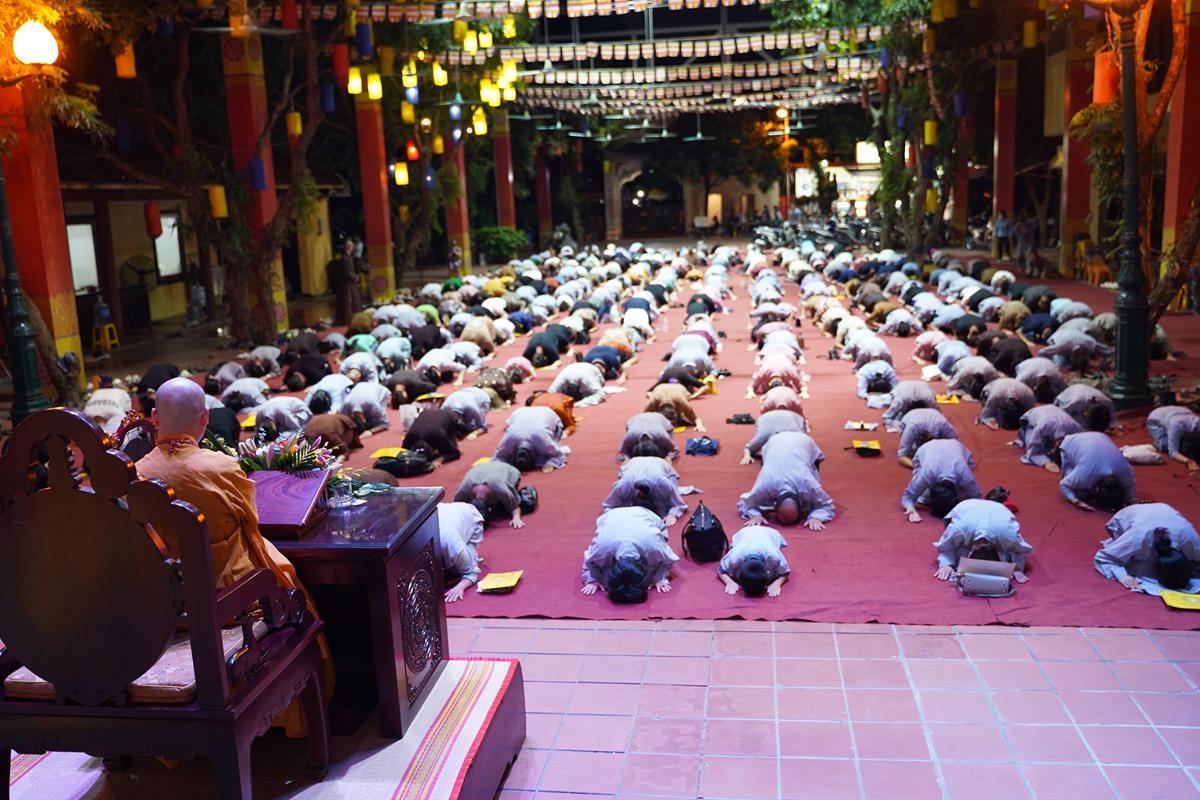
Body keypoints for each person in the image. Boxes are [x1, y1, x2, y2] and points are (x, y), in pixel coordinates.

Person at [580, 506, 680, 602]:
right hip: (610, 517)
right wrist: (593, 579)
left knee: (655, 567)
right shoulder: (602, 548)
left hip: (646, 515)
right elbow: (589, 561)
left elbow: (668, 561)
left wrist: (659, 578)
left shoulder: (654, 547)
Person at [737, 431, 834, 530]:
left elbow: (827, 504)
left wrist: (816, 517)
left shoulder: (809, 484)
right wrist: (756, 515)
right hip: (774, 442)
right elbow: (744, 503)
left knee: (812, 477)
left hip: (804, 442)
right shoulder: (765, 484)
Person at [1094, 503, 1199, 591]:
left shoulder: (1192, 540)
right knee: (1136, 567)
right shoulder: (1136, 540)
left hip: (1162, 510)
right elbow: (1103, 558)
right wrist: (1122, 576)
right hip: (1127, 514)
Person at [933, 498, 1033, 583]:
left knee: (1007, 557)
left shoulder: (1009, 535)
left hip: (1001, 511)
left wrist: (1017, 567)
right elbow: (945, 546)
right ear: (970, 552)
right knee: (958, 558)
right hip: (966, 507)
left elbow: (1021, 550)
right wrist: (946, 564)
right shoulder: (959, 530)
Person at [901, 439, 981, 523]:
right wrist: (911, 509)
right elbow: (907, 497)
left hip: (958, 447)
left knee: (967, 495)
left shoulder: (964, 473)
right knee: (923, 499)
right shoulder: (927, 473)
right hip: (926, 448)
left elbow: (977, 497)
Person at [1058, 431, 1135, 511]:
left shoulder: (1127, 473)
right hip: (1070, 443)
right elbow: (1063, 484)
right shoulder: (1085, 474)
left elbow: (1130, 496)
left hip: (1100, 435)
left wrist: (1130, 498)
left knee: (1083, 490)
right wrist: (1076, 501)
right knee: (1081, 494)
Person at [602, 456, 689, 525]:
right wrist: (615, 516)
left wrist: (672, 514)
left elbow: (680, 505)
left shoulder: (663, 484)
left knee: (664, 510)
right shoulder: (624, 485)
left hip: (660, 463)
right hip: (633, 463)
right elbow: (609, 506)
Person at [718, 524, 790, 597]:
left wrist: (777, 583)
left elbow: (786, 572)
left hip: (770, 533)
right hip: (744, 533)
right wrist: (729, 582)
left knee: (773, 573)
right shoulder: (735, 557)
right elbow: (721, 570)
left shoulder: (774, 556)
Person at [494, 406, 569, 472]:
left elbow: (559, 455)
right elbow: (499, 456)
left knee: (553, 444)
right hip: (520, 411)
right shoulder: (509, 439)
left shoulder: (543, 441)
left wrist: (551, 464)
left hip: (549, 413)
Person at [453, 460, 526, 528]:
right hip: (482, 468)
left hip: (508, 470)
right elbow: (456, 513)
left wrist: (516, 518)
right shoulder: (461, 493)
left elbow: (515, 507)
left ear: (489, 509)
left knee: (501, 509)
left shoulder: (501, 490)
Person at [437, 502, 486, 602]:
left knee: (459, 569)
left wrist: (459, 587)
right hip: (445, 511)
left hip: (471, 517)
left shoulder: (452, 545)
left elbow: (472, 573)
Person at [1017, 405, 1082, 471]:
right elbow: (1032, 453)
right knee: (1030, 444)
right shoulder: (1043, 426)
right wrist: (1046, 463)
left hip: (1052, 410)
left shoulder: (1077, 429)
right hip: (1030, 418)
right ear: (1053, 450)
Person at [402, 407, 468, 465]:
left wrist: (440, 459)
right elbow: (402, 451)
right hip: (429, 415)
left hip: (451, 418)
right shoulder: (410, 435)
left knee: (451, 446)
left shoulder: (438, 435)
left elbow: (455, 453)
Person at [741, 409, 807, 464]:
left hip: (794, 416)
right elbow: (748, 448)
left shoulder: (798, 436)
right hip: (765, 418)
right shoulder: (764, 433)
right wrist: (747, 456)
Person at [1146, 405, 1200, 471]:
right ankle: (1158, 443)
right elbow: (1173, 452)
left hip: (1179, 411)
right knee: (1165, 445)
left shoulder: (1198, 421)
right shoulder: (1176, 426)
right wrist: (1187, 460)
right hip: (1155, 418)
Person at [1054, 383, 1119, 432]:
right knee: (1079, 427)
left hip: (1082, 396)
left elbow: (1113, 422)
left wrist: (1112, 427)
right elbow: (1062, 419)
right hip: (1063, 403)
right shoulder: (1074, 402)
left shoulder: (1107, 402)